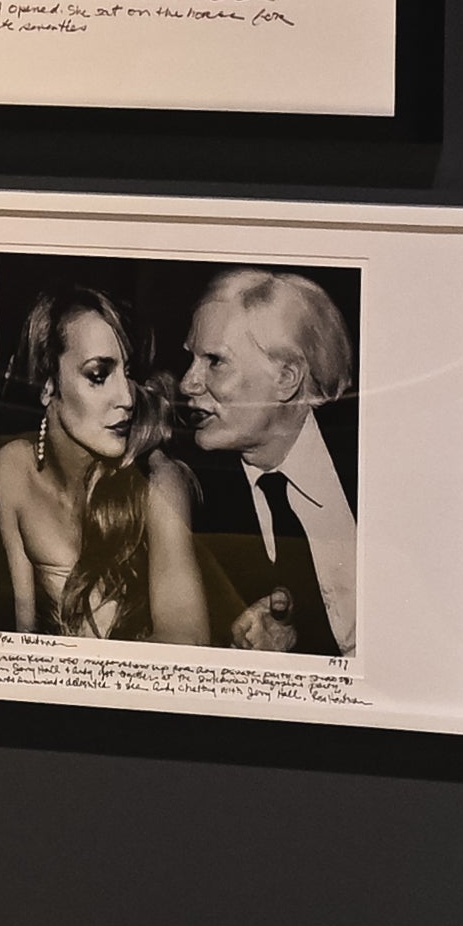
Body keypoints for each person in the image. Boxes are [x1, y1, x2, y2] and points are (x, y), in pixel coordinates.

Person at [0, 278, 205, 641]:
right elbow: (21, 633)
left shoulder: (159, 483)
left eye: (128, 373)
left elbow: (185, 648)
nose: (127, 398)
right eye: (99, 375)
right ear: (47, 384)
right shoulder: (13, 469)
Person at [169, 271, 359, 655]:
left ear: (286, 378)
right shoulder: (191, 496)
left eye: (215, 361)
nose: (187, 383)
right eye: (192, 358)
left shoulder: (371, 458)